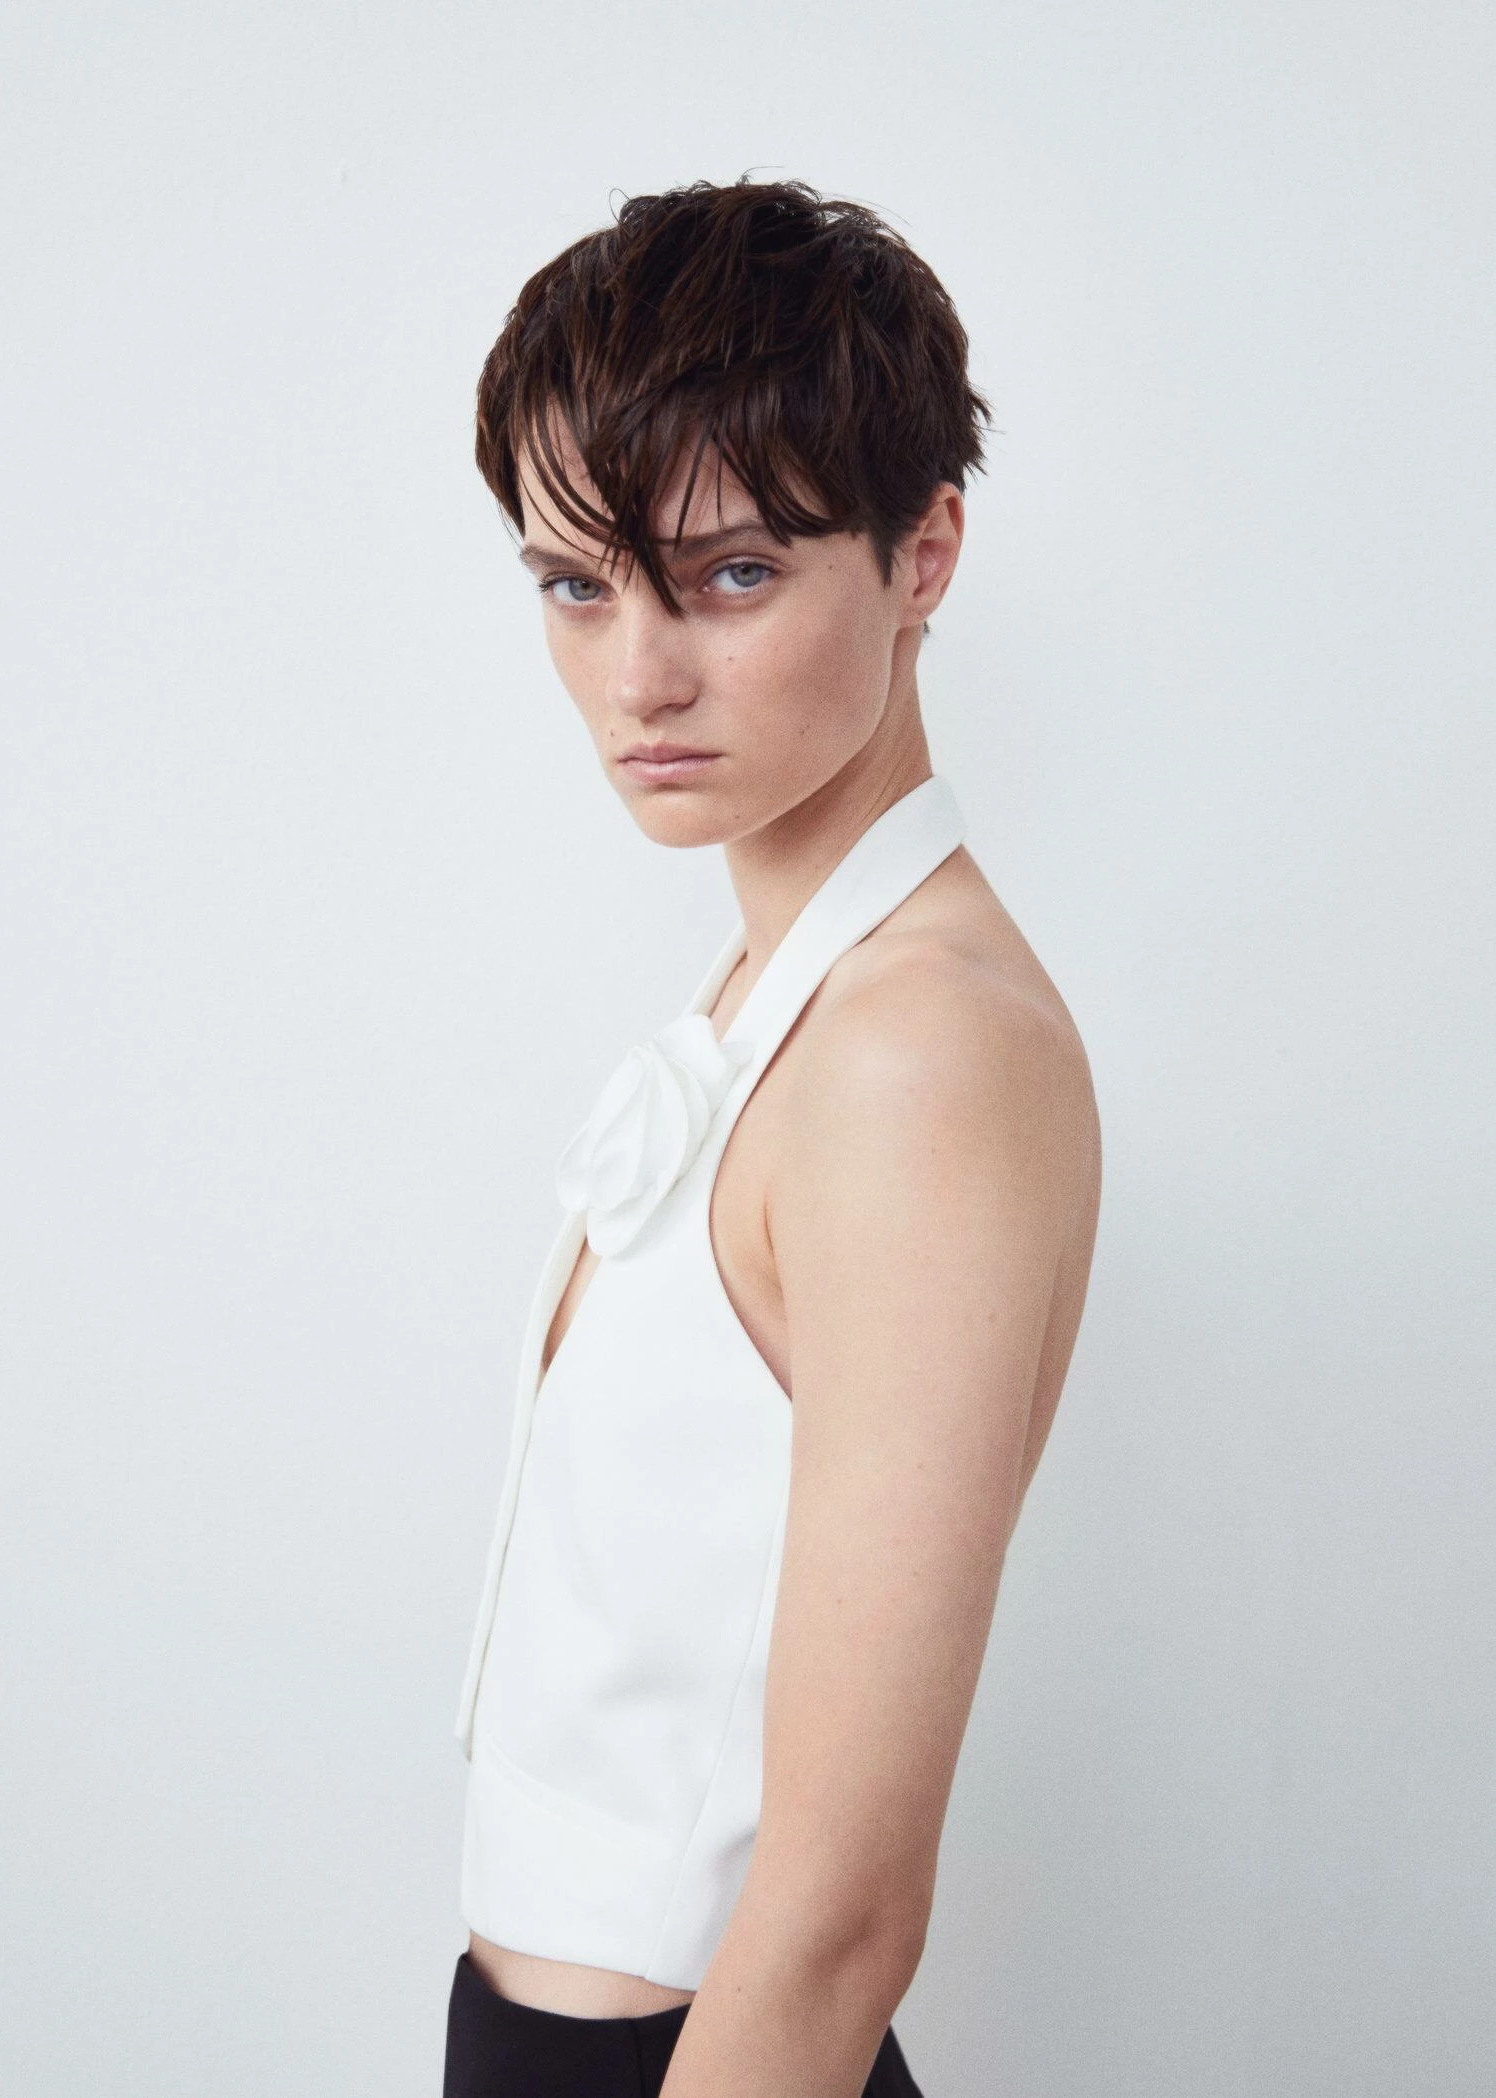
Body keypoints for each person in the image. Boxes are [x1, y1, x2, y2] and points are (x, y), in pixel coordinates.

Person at [444, 176, 1102, 2098]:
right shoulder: (783, 1002)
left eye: (729, 575)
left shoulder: (918, 1057)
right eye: (576, 585)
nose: (636, 676)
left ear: (922, 552)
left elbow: (836, 1914)